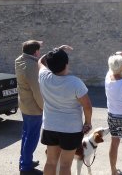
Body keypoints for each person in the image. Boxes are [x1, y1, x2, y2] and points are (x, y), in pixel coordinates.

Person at [38, 45, 93, 175]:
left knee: (51, 162)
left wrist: (53, 51)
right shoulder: (75, 83)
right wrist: (88, 122)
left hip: (50, 127)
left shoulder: (44, 76)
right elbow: (87, 106)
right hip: (71, 129)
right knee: (65, 165)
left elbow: (40, 61)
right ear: (66, 63)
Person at [15, 40, 44, 175]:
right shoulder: (31, 66)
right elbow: (36, 90)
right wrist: (43, 107)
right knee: (31, 137)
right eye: (38, 49)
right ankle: (26, 167)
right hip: (33, 108)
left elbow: (34, 56)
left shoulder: (20, 60)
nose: (40, 52)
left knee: (26, 135)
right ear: (35, 52)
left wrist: (33, 44)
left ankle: (25, 161)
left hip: (24, 105)